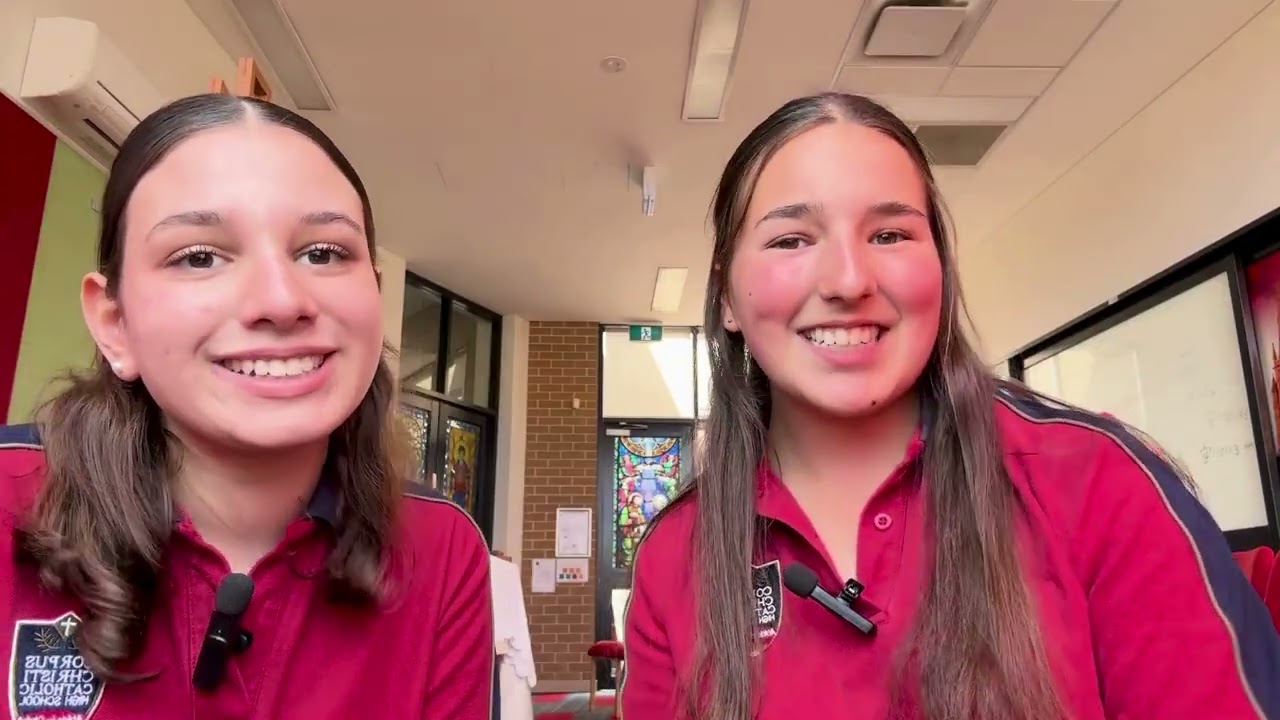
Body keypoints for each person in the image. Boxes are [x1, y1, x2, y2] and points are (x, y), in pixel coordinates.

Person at [620, 92, 1280, 720]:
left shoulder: (1099, 483)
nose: (850, 281)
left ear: (940, 264)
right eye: (791, 240)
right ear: (727, 297)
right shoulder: (677, 553)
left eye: (890, 235)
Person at [0, 94, 493, 718]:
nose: (282, 300)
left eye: (323, 253)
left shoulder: (441, 548)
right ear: (114, 322)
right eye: (199, 256)